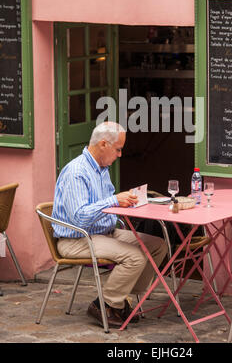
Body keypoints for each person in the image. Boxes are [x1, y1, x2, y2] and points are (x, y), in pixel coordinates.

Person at [52, 121, 168, 328]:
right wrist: (115, 200)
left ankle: (120, 300)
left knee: (157, 245)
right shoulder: (76, 172)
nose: (120, 154)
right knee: (134, 256)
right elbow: (79, 217)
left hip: (105, 232)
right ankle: (104, 304)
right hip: (76, 238)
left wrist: (130, 203)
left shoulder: (102, 168)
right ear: (103, 144)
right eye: (118, 149)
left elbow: (107, 207)